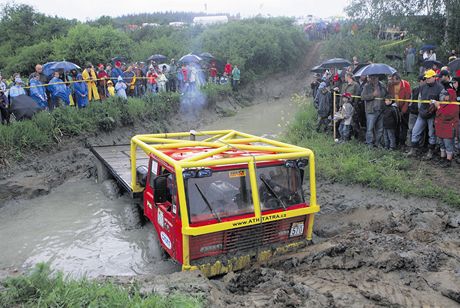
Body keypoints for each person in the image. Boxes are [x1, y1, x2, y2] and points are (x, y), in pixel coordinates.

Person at [408, 69, 444, 159]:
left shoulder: (440, 88)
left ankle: (430, 151)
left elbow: (443, 102)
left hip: (432, 114)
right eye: (426, 78)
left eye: (429, 78)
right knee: (415, 131)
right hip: (422, 113)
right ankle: (413, 150)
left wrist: (436, 105)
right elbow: (420, 99)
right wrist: (420, 110)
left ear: (434, 77)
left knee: (432, 134)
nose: (427, 79)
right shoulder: (423, 87)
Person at [361, 75, 388, 147]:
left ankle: (377, 142)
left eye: (375, 78)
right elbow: (363, 97)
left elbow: (386, 95)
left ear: (378, 77)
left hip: (381, 109)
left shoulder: (382, 85)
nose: (373, 79)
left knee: (380, 128)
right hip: (371, 110)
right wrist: (372, 95)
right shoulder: (367, 86)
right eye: (371, 78)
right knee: (370, 128)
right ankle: (369, 143)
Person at [434, 89, 459, 167]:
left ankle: (448, 161)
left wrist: (438, 107)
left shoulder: (455, 105)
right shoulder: (443, 103)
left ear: (451, 95)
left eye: (446, 95)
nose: (444, 96)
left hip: (449, 128)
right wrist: (434, 105)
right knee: (442, 144)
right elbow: (438, 114)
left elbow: (446, 116)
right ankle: (442, 158)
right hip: (441, 127)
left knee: (448, 144)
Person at [388, 72, 411, 148]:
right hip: (394, 108)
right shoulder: (391, 85)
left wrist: (403, 111)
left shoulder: (406, 85)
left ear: (399, 79)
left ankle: (402, 142)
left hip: (404, 107)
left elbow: (408, 99)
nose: (393, 81)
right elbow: (389, 96)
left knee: (404, 126)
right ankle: (396, 141)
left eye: (394, 80)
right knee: (395, 125)